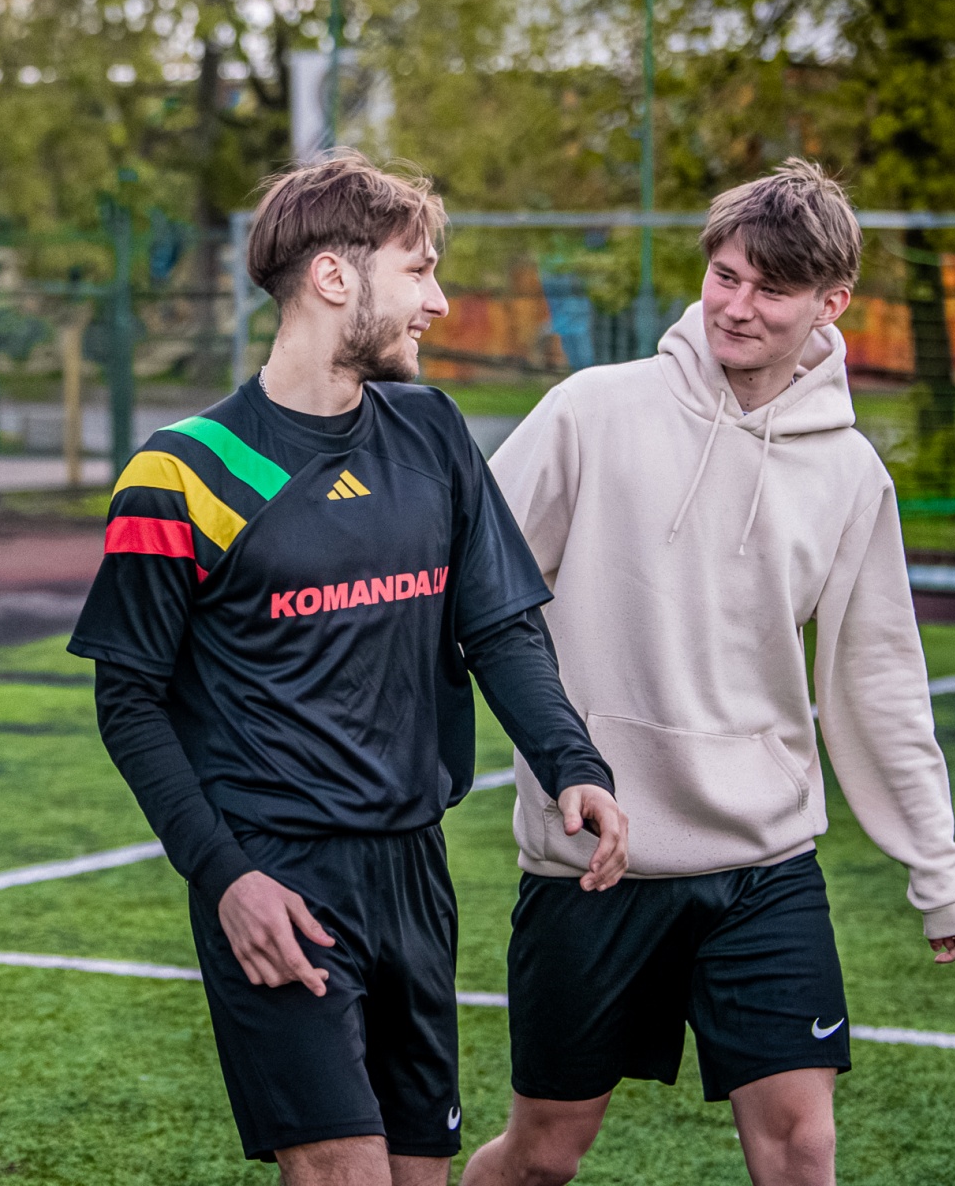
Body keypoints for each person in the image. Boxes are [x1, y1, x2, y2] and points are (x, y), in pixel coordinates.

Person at [68, 152, 629, 1186]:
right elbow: (129, 700)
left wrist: (572, 763)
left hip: (416, 872)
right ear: (334, 277)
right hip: (276, 875)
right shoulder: (182, 473)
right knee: (342, 1170)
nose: (438, 302)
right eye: (418, 271)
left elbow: (501, 629)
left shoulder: (432, 430)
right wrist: (226, 878)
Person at [465, 160, 955, 1186]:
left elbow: (877, 681)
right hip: (592, 863)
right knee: (544, 1155)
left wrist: (937, 864)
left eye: (771, 289)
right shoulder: (592, 412)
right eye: (725, 276)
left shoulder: (849, 474)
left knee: (801, 1144)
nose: (737, 307)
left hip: (763, 863)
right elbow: (470, 580)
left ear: (832, 303)